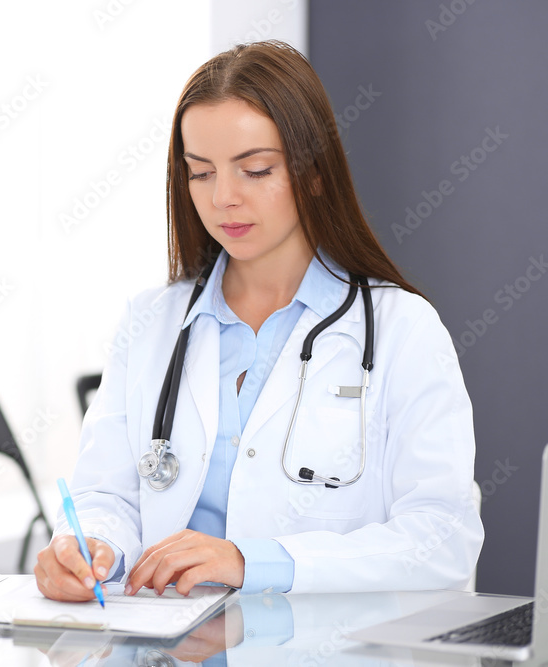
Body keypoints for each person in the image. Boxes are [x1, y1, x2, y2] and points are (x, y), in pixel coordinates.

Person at [35, 40, 483, 600]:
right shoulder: (150, 323)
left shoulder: (402, 330)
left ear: (314, 172)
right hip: (170, 647)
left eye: (255, 169)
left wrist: (257, 562)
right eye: (200, 173)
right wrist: (91, 549)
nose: (223, 197)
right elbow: (107, 496)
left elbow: (442, 537)